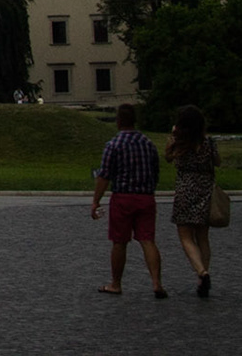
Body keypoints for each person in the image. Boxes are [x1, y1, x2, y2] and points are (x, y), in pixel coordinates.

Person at [92, 102, 167, 299]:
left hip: (123, 197)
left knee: (119, 242)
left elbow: (104, 176)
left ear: (118, 122)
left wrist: (96, 201)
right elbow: (155, 172)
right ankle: (156, 282)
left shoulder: (113, 145)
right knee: (147, 240)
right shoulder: (148, 143)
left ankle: (116, 284)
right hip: (146, 197)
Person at [167, 104, 222, 297]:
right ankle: (203, 275)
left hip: (185, 190)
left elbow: (167, 157)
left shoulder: (179, 142)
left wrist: (173, 135)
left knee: (185, 236)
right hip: (205, 189)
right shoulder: (208, 142)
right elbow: (218, 162)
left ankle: (201, 272)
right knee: (202, 237)